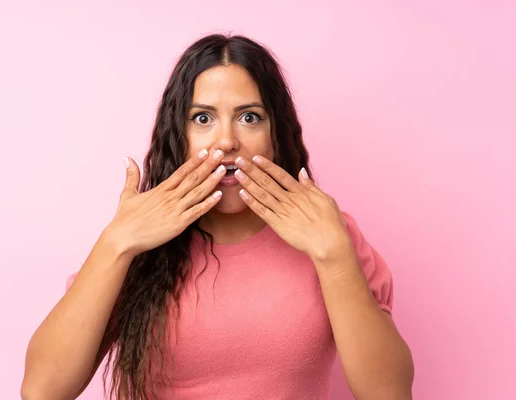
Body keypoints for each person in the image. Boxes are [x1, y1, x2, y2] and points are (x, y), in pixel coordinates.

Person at [21, 34, 414, 400]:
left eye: (249, 117)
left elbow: (389, 393)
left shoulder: (331, 234)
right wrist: (116, 244)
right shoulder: (134, 243)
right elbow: (42, 390)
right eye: (203, 119)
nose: (226, 141)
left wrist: (335, 256)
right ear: (179, 134)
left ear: (277, 133)